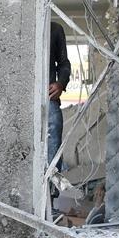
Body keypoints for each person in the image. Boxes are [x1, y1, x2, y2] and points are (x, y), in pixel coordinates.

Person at [47, 21, 71, 176]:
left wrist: (60, 83)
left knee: (53, 141)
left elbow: (64, 63)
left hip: (48, 97)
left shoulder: (54, 29)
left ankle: (51, 190)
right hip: (21, 100)